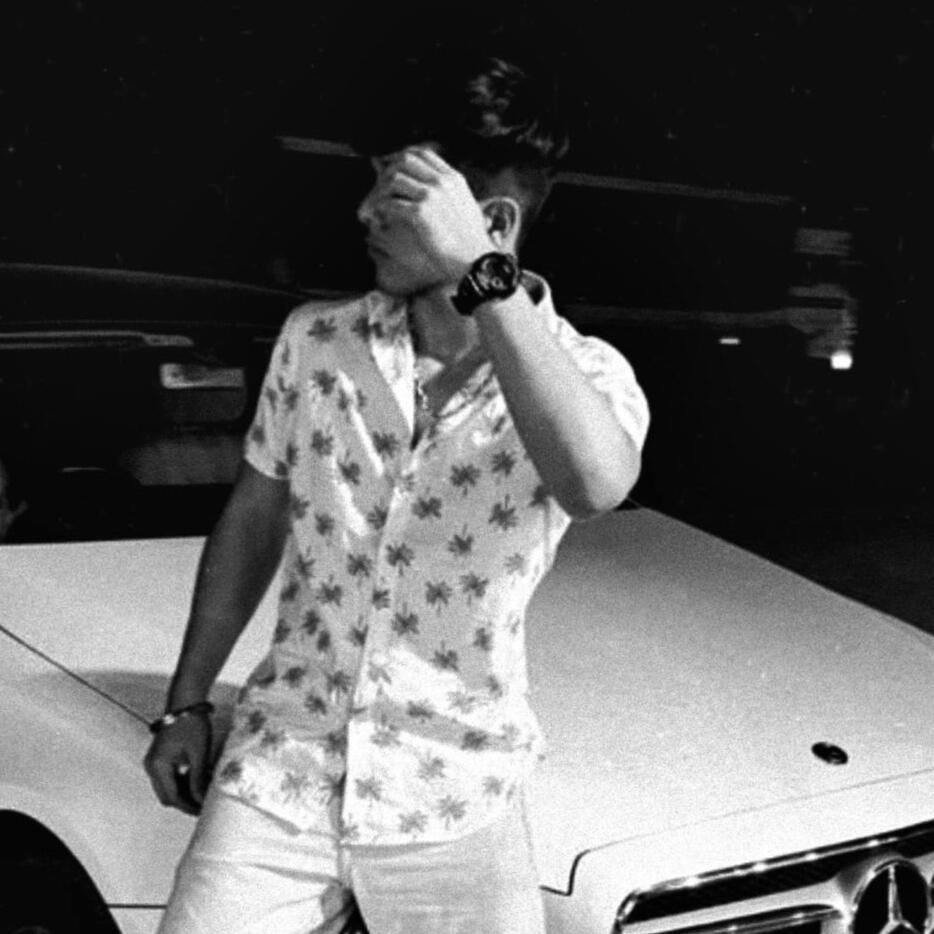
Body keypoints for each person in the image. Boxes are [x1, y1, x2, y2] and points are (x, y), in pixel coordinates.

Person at [144, 52, 649, 934]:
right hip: (281, 772)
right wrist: (185, 702)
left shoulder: (585, 376)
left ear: (490, 221)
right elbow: (253, 523)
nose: (364, 211)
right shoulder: (316, 341)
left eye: (397, 190)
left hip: (455, 792)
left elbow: (596, 483)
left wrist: (482, 270)